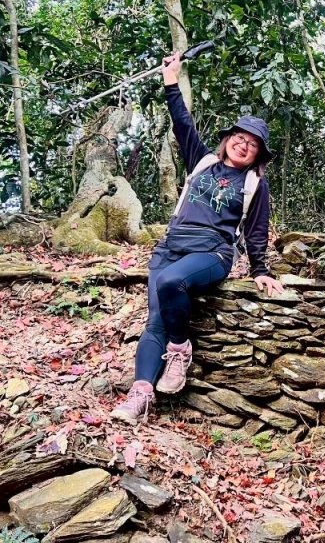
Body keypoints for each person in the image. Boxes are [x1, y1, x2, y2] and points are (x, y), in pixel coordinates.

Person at [111, 51, 284, 423]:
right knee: (155, 320)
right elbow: (182, 124)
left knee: (173, 283)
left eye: (252, 144)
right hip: (170, 246)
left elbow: (255, 230)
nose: (243, 145)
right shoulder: (202, 161)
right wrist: (171, 80)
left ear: (257, 155)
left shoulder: (255, 184)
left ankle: (180, 349)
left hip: (213, 252)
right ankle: (140, 395)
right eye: (239, 137)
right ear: (228, 141)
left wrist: (260, 269)